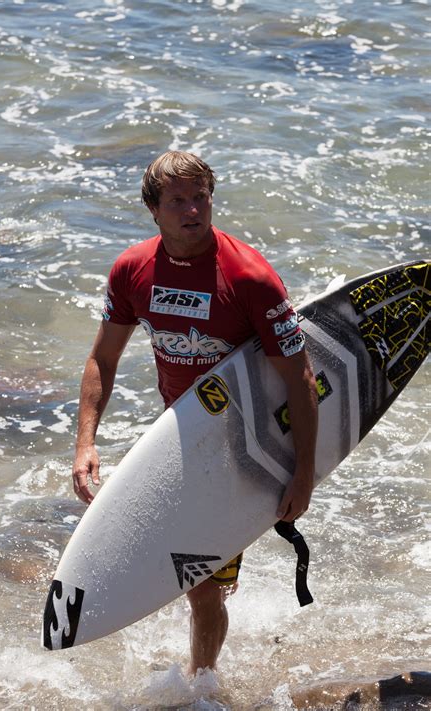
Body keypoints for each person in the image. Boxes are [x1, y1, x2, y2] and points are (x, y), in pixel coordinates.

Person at [72, 150, 318, 675]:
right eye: (178, 200)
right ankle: (203, 677)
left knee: (203, 588)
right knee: (202, 586)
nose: (193, 210)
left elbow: (300, 378)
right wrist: (85, 443)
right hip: (182, 437)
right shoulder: (133, 270)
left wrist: (304, 471)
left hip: (246, 443)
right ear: (153, 210)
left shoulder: (250, 277)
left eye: (200, 197)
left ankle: (200, 689)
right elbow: (102, 358)